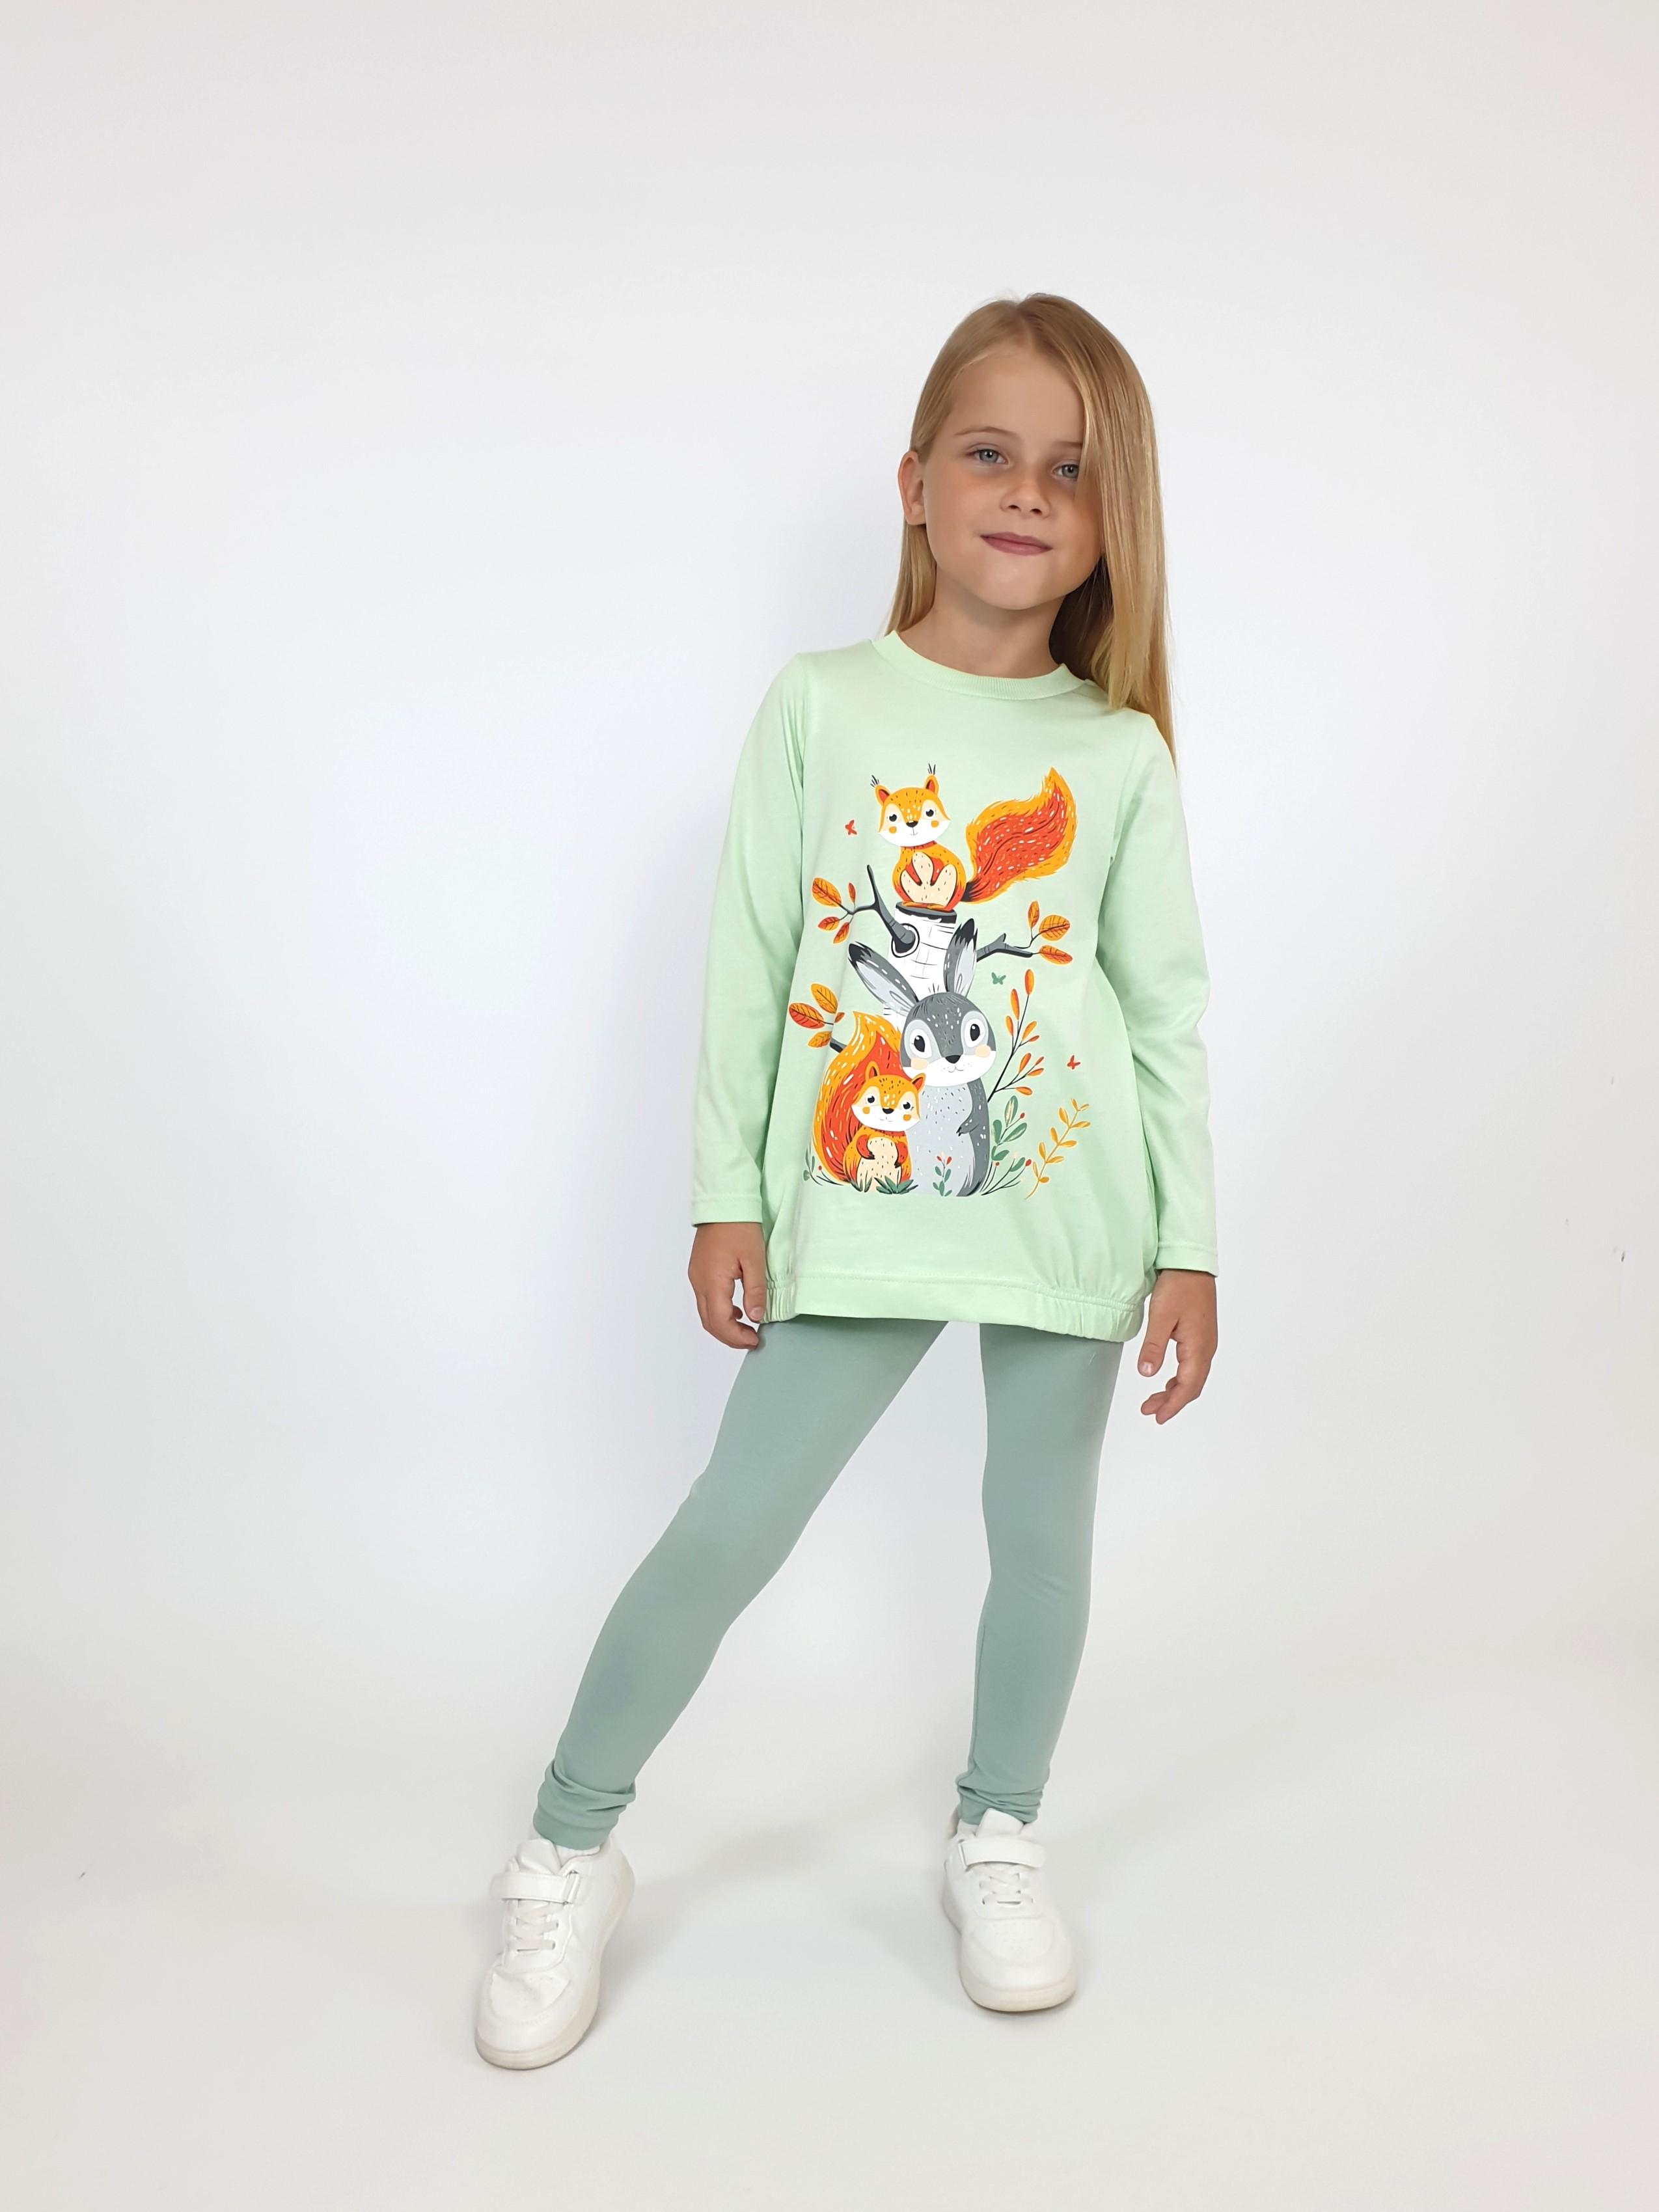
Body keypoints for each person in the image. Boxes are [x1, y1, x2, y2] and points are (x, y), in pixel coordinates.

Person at [474, 292, 1220, 2068]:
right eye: (992, 452)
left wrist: (1191, 1242)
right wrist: (724, 1196)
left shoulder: (1116, 753)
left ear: (1112, 519)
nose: (1028, 493)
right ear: (914, 483)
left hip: (1068, 1216)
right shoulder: (820, 706)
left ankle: (999, 1828)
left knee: (1041, 1548)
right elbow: (752, 960)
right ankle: (568, 1845)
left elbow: (1164, 1014)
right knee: (731, 1529)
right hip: (859, 1198)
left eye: (1073, 471)